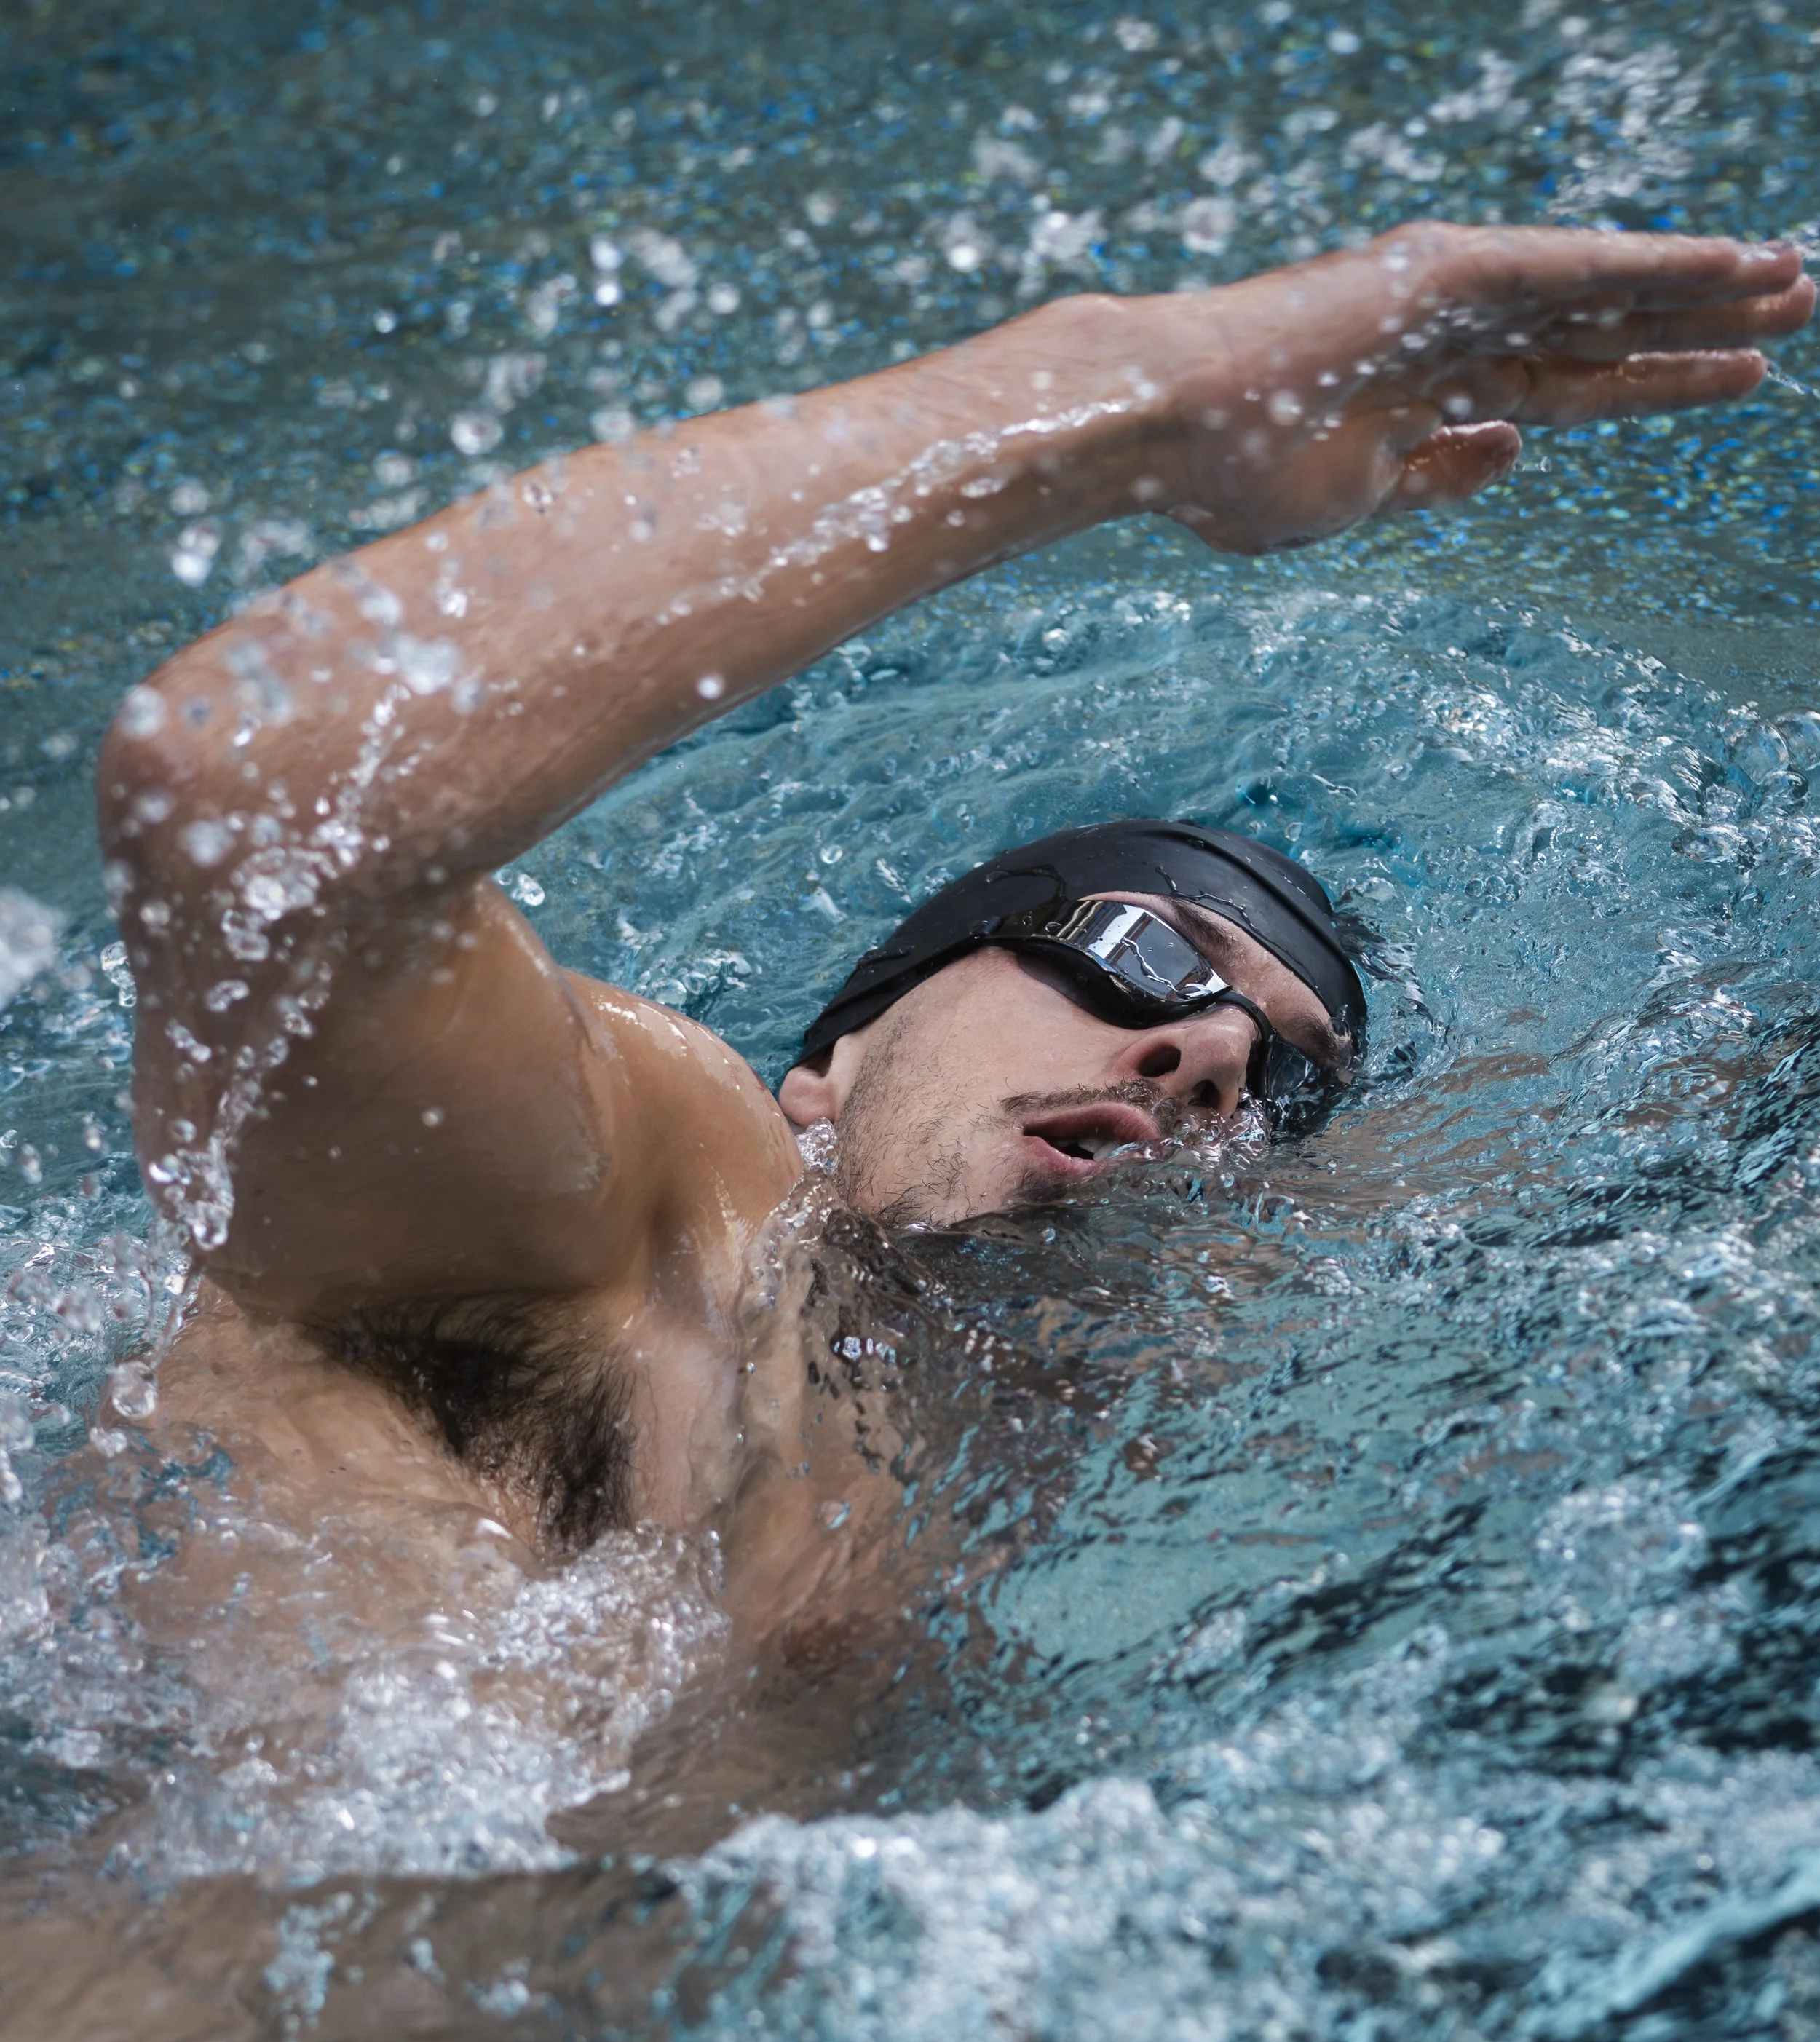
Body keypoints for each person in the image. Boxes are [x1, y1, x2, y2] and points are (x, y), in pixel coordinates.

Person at [98, 223, 1812, 1662]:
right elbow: (253, 804)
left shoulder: (981, 1561)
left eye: (1280, 1083)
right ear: (829, 1067)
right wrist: (1135, 404)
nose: (1214, 1053)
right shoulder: (638, 1235)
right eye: (1136, 951)